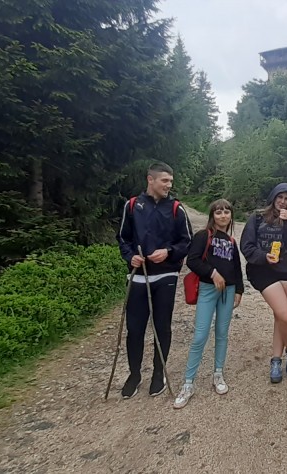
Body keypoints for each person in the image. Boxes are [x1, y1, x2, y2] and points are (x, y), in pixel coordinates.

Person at [116, 162, 192, 398]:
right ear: (150, 180)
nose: (169, 185)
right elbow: (123, 238)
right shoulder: (132, 205)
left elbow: (186, 241)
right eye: (164, 181)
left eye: (171, 181)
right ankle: (134, 375)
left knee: (162, 326)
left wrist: (168, 252)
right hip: (138, 276)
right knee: (135, 329)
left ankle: (159, 373)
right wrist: (130, 256)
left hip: (166, 275)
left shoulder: (176, 208)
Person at [173, 199, 244, 409]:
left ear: (231, 216)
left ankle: (218, 373)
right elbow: (192, 260)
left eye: (227, 212)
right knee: (200, 335)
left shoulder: (231, 241)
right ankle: (188, 383)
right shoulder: (203, 236)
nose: (223, 216)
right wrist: (213, 273)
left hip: (228, 291)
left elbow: (236, 267)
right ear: (212, 215)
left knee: (222, 333)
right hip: (207, 289)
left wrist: (239, 290)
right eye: (219, 212)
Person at [241, 183, 287, 383]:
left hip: (286, 270)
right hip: (262, 271)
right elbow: (246, 246)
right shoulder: (257, 217)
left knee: (280, 317)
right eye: (280, 197)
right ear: (273, 197)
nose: (282, 202)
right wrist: (263, 256)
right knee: (285, 314)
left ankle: (276, 359)